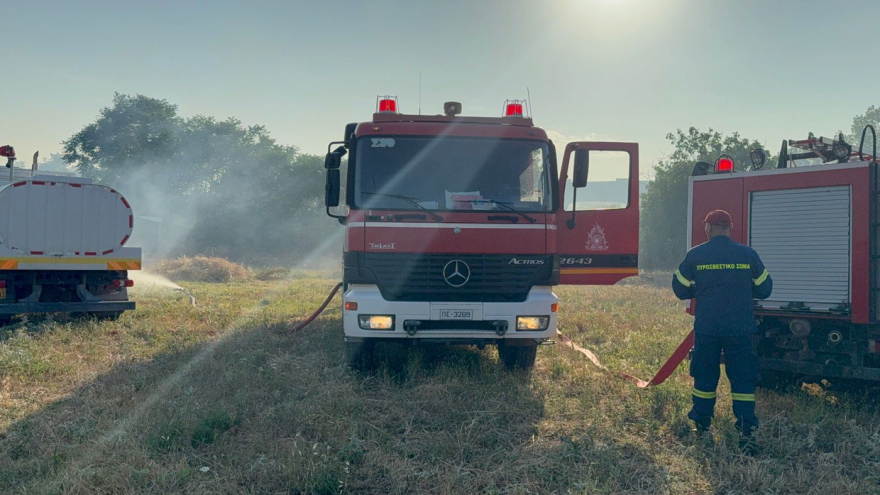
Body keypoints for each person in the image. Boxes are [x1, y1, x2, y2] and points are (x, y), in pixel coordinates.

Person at [671, 209, 773, 445]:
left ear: (707, 228)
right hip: (740, 329)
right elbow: (765, 289)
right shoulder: (748, 254)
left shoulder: (696, 255)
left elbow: (679, 288)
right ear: (730, 228)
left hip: (708, 329)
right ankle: (746, 432)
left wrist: (700, 291)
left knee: (705, 379)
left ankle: (702, 426)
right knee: (743, 381)